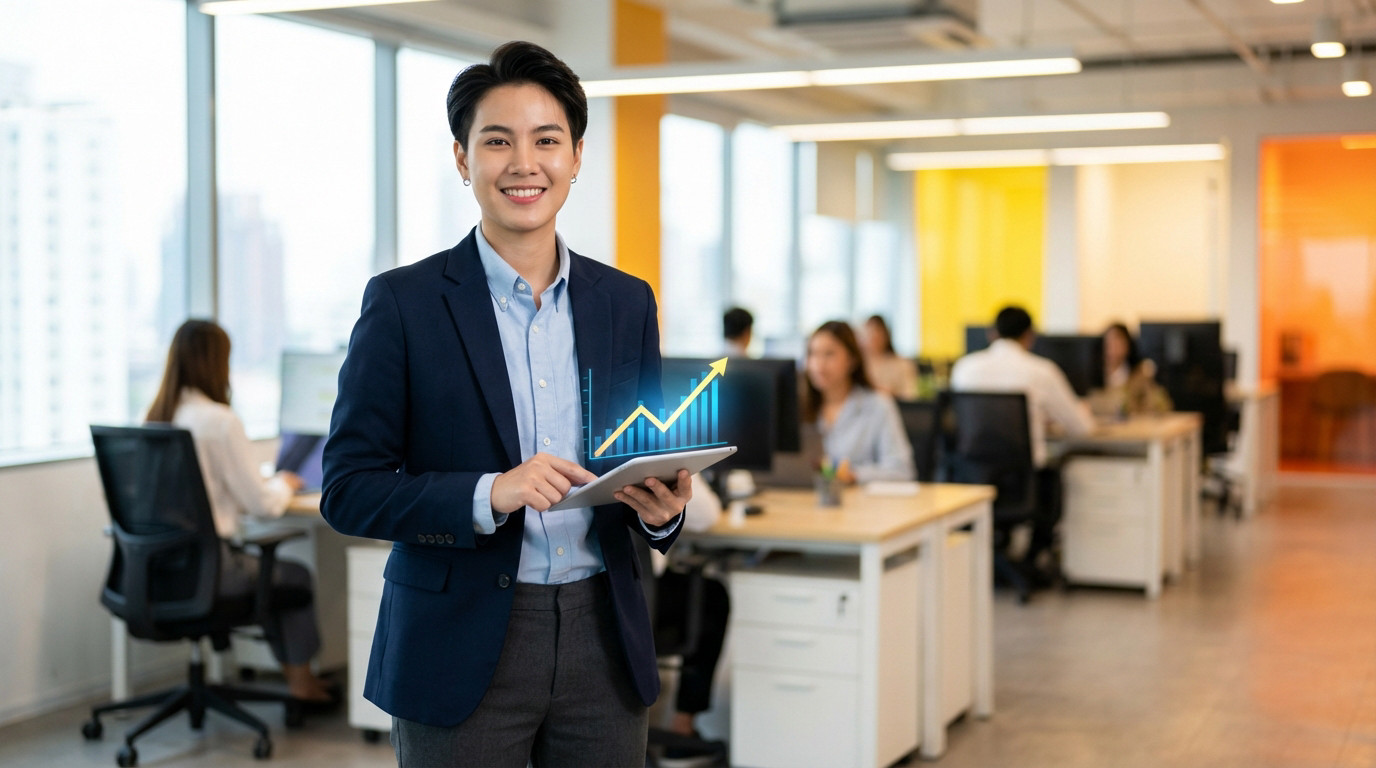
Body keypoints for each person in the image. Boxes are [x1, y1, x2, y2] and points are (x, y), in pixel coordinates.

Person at [320, 41, 691, 768]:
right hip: (458, 639)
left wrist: (663, 512)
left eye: (547, 140)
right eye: (498, 141)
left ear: (577, 156)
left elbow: (641, 461)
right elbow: (347, 490)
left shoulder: (625, 302)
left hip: (603, 638)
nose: (525, 163)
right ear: (463, 159)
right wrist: (494, 491)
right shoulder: (403, 304)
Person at [144, 319, 336, 705]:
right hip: (212, 571)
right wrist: (286, 482)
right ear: (216, 363)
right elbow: (262, 506)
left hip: (157, 569)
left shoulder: (156, 418)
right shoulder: (219, 421)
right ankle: (302, 684)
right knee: (295, 578)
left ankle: (294, 678)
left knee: (278, 572)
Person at [950, 306, 1094, 579]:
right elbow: (1081, 427)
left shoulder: (964, 367)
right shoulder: (1041, 371)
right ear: (1030, 336)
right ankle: (1030, 562)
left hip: (971, 477)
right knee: (1054, 478)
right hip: (1021, 483)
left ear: (992, 333)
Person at [650, 478, 728, 768]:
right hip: (638, 605)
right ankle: (682, 728)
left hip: (581, 600)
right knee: (713, 597)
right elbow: (706, 516)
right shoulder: (648, 442)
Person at [803, 320, 915, 484]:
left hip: (862, 505)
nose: (819, 364)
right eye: (813, 354)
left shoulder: (878, 405)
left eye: (829, 354)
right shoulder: (801, 408)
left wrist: (854, 475)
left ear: (852, 359)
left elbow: (902, 470)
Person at [1100, 322, 1172, 416]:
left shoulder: (1139, 375)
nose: (1111, 348)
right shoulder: (1095, 376)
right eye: (1108, 343)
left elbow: (1161, 405)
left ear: (1127, 345)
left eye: (1116, 343)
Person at [860, 314, 919, 400]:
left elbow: (910, 395)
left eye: (877, 333)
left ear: (886, 335)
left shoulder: (902, 364)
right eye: (869, 333)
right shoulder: (858, 366)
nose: (873, 338)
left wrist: (891, 394)